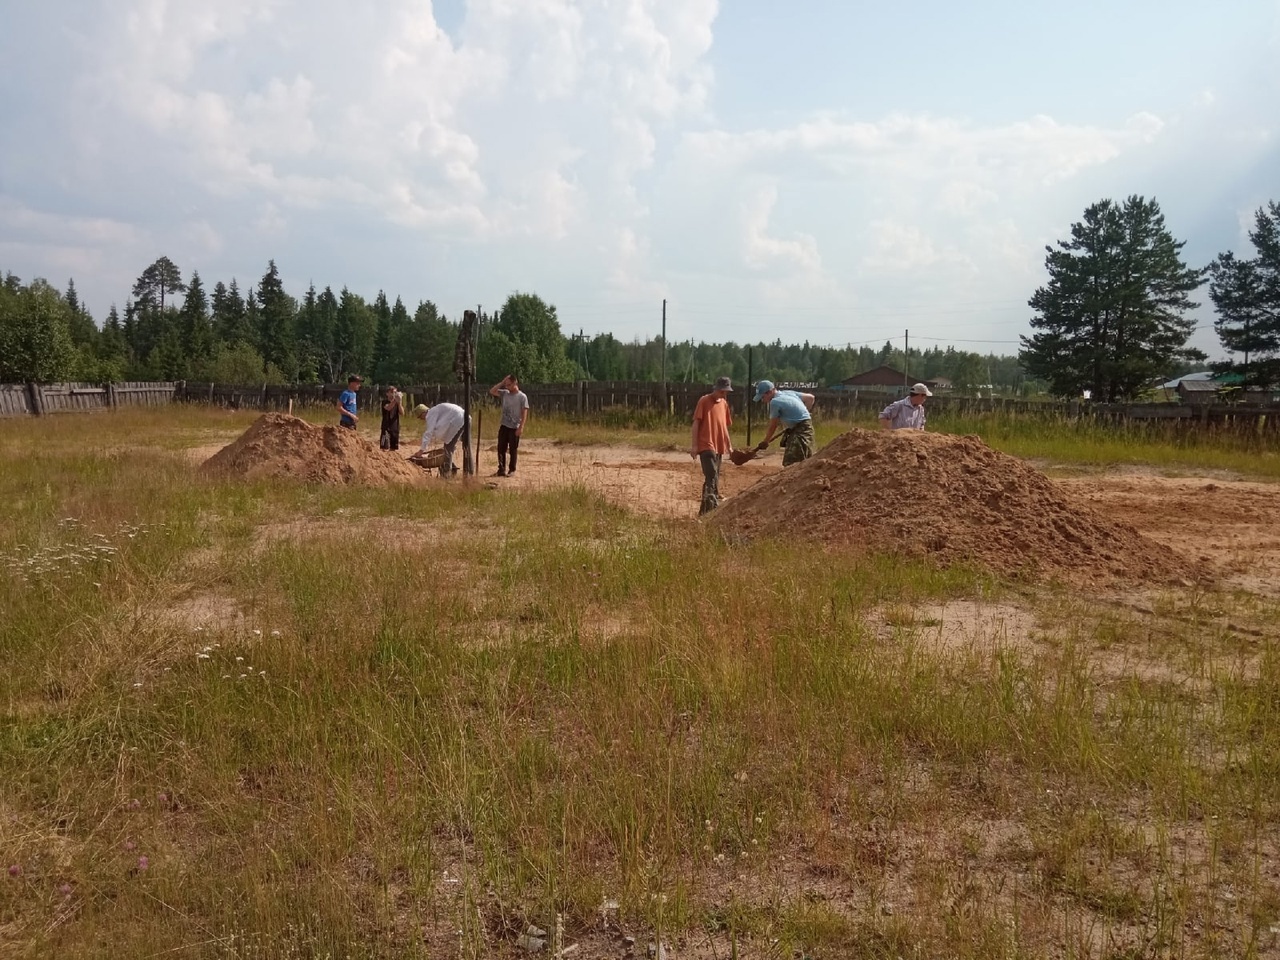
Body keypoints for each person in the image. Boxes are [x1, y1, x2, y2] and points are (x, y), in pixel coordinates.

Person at [690, 376, 735, 514]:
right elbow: (696, 423)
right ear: (716, 389)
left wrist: (729, 446)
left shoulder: (724, 404)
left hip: (719, 447)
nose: (724, 394)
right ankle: (709, 509)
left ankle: (708, 509)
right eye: (722, 391)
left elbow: (724, 427)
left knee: (714, 477)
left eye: (726, 392)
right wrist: (694, 446)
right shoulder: (704, 401)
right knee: (712, 475)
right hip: (706, 445)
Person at [753, 380, 816, 466]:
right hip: (807, 428)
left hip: (800, 432)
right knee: (804, 460)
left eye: (763, 397)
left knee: (791, 463)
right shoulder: (788, 393)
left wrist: (766, 441)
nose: (763, 400)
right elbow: (810, 398)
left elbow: (773, 426)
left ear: (769, 392)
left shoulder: (774, 402)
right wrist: (804, 413)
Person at [413, 402, 469, 478]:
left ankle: (446, 474)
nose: (422, 419)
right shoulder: (436, 411)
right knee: (466, 447)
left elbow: (429, 432)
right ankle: (469, 471)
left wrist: (421, 451)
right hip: (465, 418)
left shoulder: (430, 414)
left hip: (458, 420)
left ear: (423, 413)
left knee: (448, 448)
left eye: (420, 417)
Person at [489, 374, 530, 477]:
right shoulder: (505, 394)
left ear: (515, 383)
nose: (507, 387)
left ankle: (512, 470)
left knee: (513, 449)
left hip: (515, 426)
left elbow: (524, 412)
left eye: (509, 384)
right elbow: (492, 391)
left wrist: (521, 427)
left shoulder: (522, 397)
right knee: (501, 448)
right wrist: (502, 382)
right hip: (504, 425)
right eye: (506, 385)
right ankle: (501, 469)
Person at [380, 385, 402, 450]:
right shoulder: (384, 402)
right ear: (387, 393)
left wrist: (399, 403)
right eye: (392, 392)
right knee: (384, 447)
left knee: (394, 448)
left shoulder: (397, 403)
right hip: (386, 427)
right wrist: (395, 400)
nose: (393, 394)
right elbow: (388, 408)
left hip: (395, 427)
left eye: (395, 392)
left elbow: (402, 413)